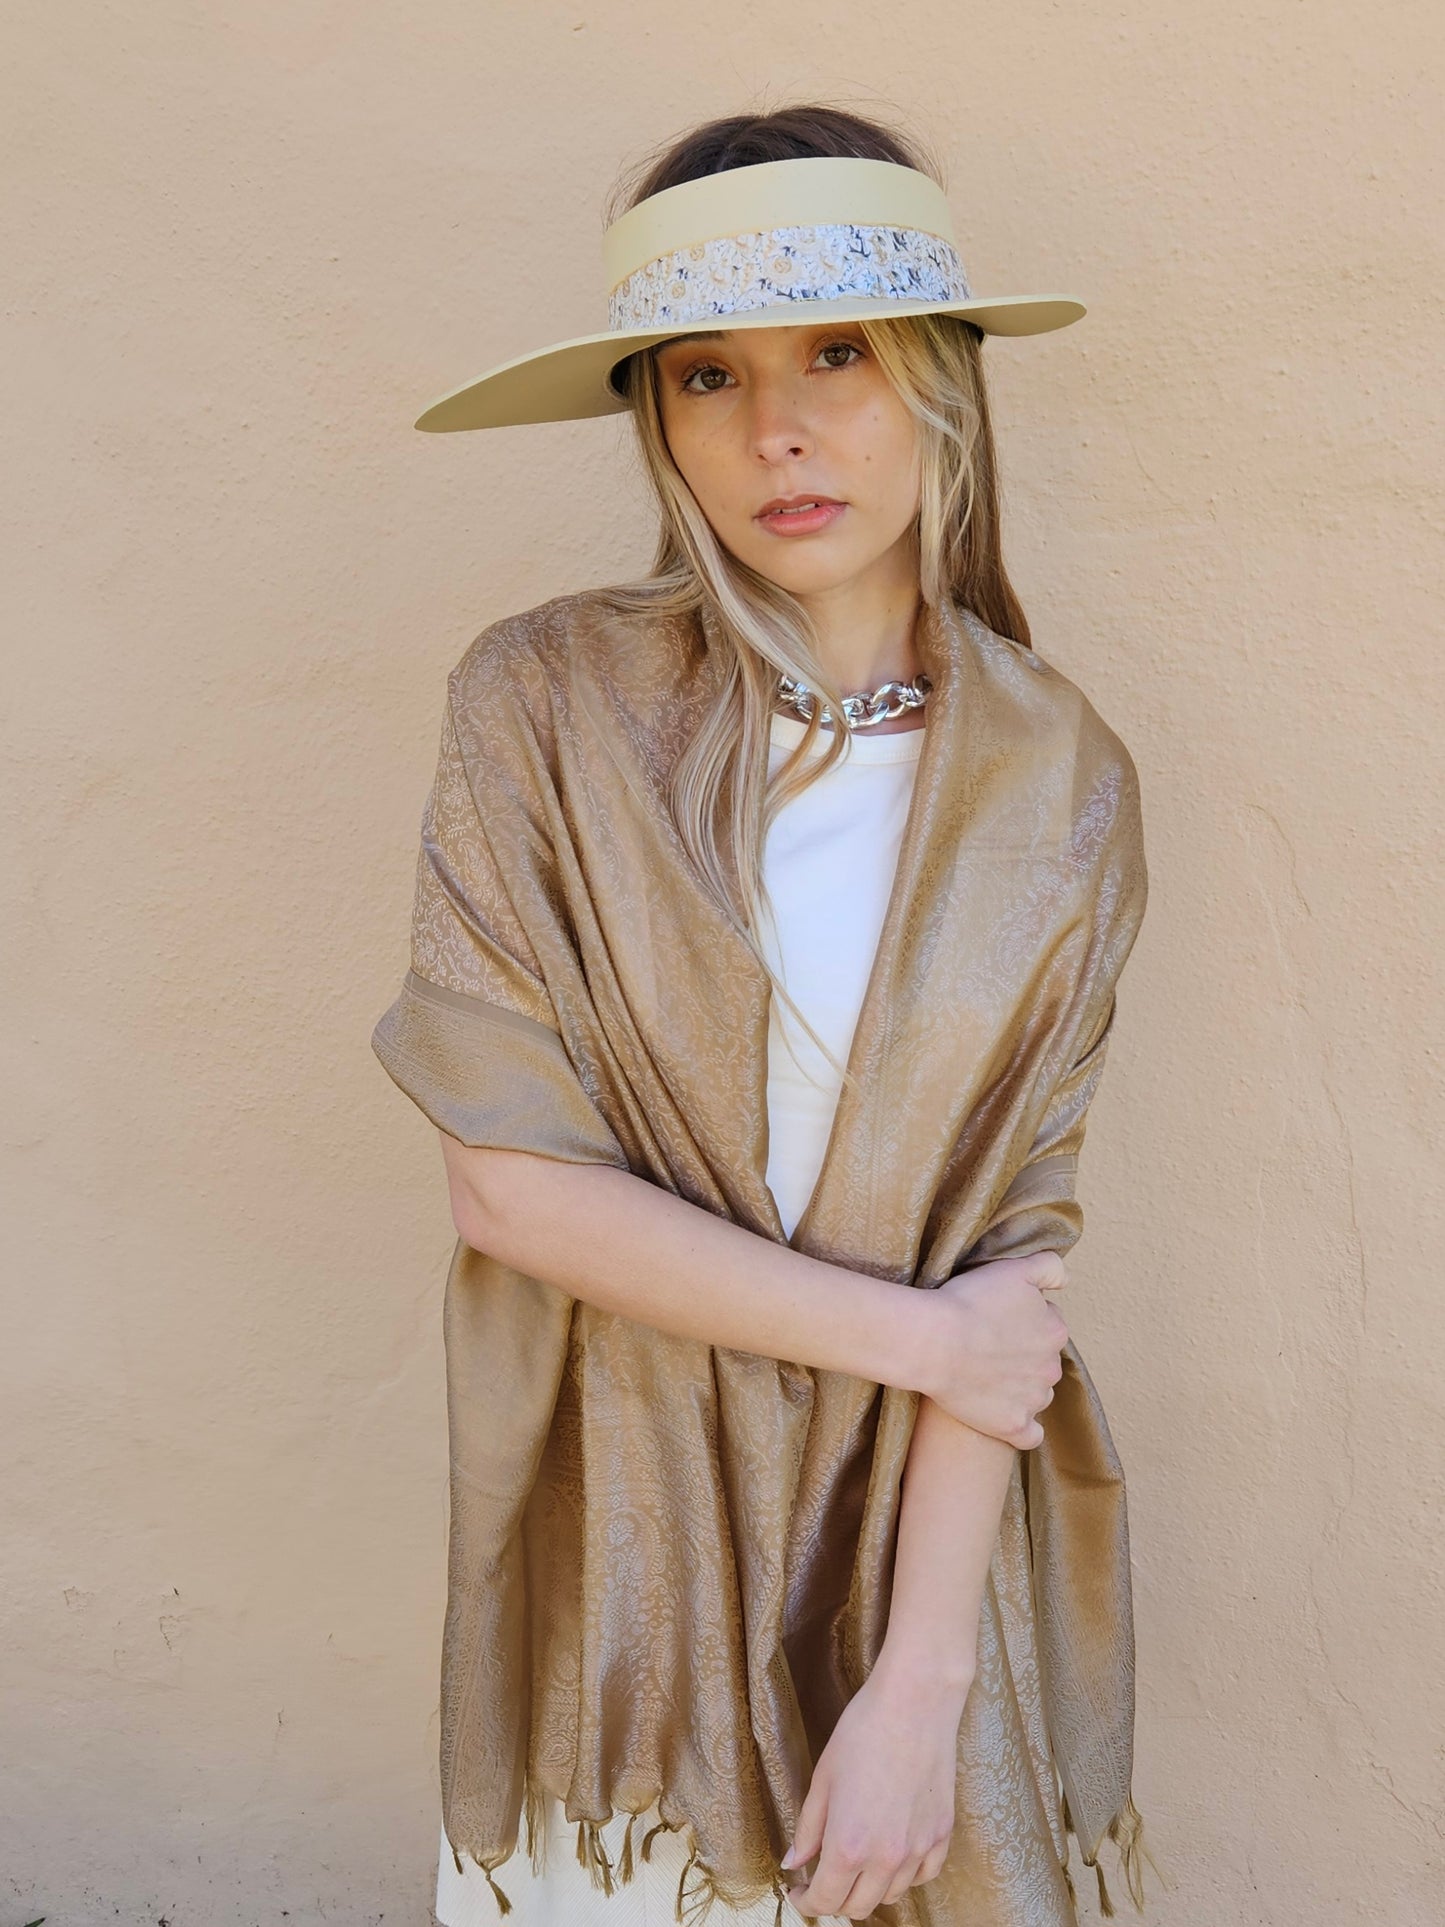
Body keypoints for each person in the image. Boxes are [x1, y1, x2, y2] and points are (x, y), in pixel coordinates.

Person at [372, 105, 1158, 1927]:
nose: (776, 429)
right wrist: (927, 1342)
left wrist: (922, 1687)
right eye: (706, 373)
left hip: (918, 1544)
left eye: (835, 355)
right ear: (654, 419)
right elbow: (513, 1190)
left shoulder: (1062, 779)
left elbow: (1009, 1275)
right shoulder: (547, 706)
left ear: (940, 383)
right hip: (628, 1527)